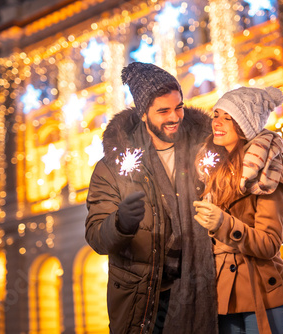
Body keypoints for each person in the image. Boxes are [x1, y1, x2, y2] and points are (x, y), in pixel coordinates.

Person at [85, 62, 218, 334]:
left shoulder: (207, 148)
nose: (175, 117)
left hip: (204, 290)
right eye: (163, 111)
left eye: (178, 107)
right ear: (143, 114)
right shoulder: (113, 166)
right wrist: (121, 223)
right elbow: (97, 236)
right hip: (147, 300)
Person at [193, 86, 283, 334]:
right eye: (216, 114)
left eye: (228, 118)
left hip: (261, 289)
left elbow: (269, 243)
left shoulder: (268, 172)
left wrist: (223, 224)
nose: (216, 122)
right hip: (222, 295)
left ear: (245, 125)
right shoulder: (212, 172)